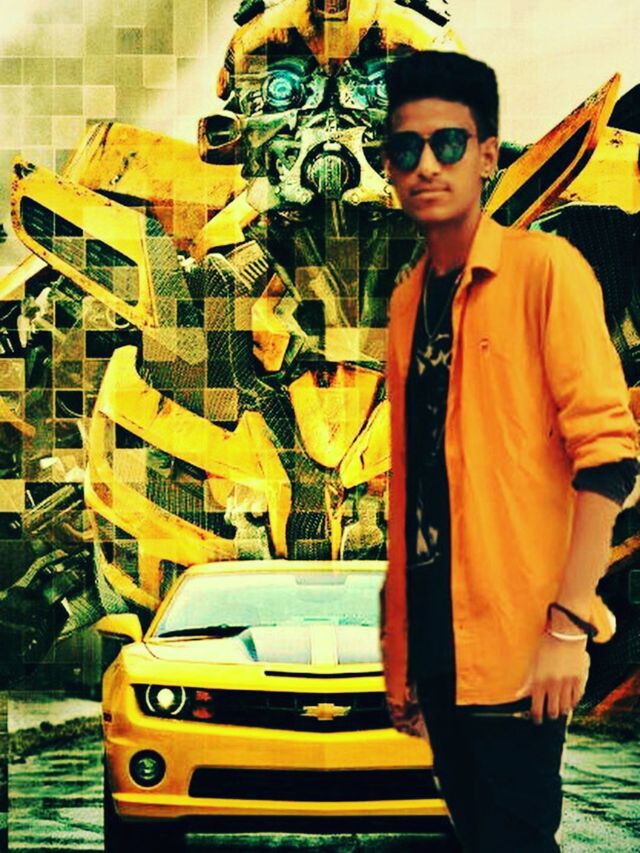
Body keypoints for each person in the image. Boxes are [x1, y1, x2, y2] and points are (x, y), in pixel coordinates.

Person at [380, 50, 638, 853]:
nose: (428, 166)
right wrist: (401, 655)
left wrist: (567, 625)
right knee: (476, 834)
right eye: (408, 148)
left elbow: (608, 453)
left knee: (517, 840)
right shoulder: (408, 303)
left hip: (522, 649)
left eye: (449, 144)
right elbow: (411, 491)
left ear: (489, 155)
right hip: (437, 655)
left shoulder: (546, 271)